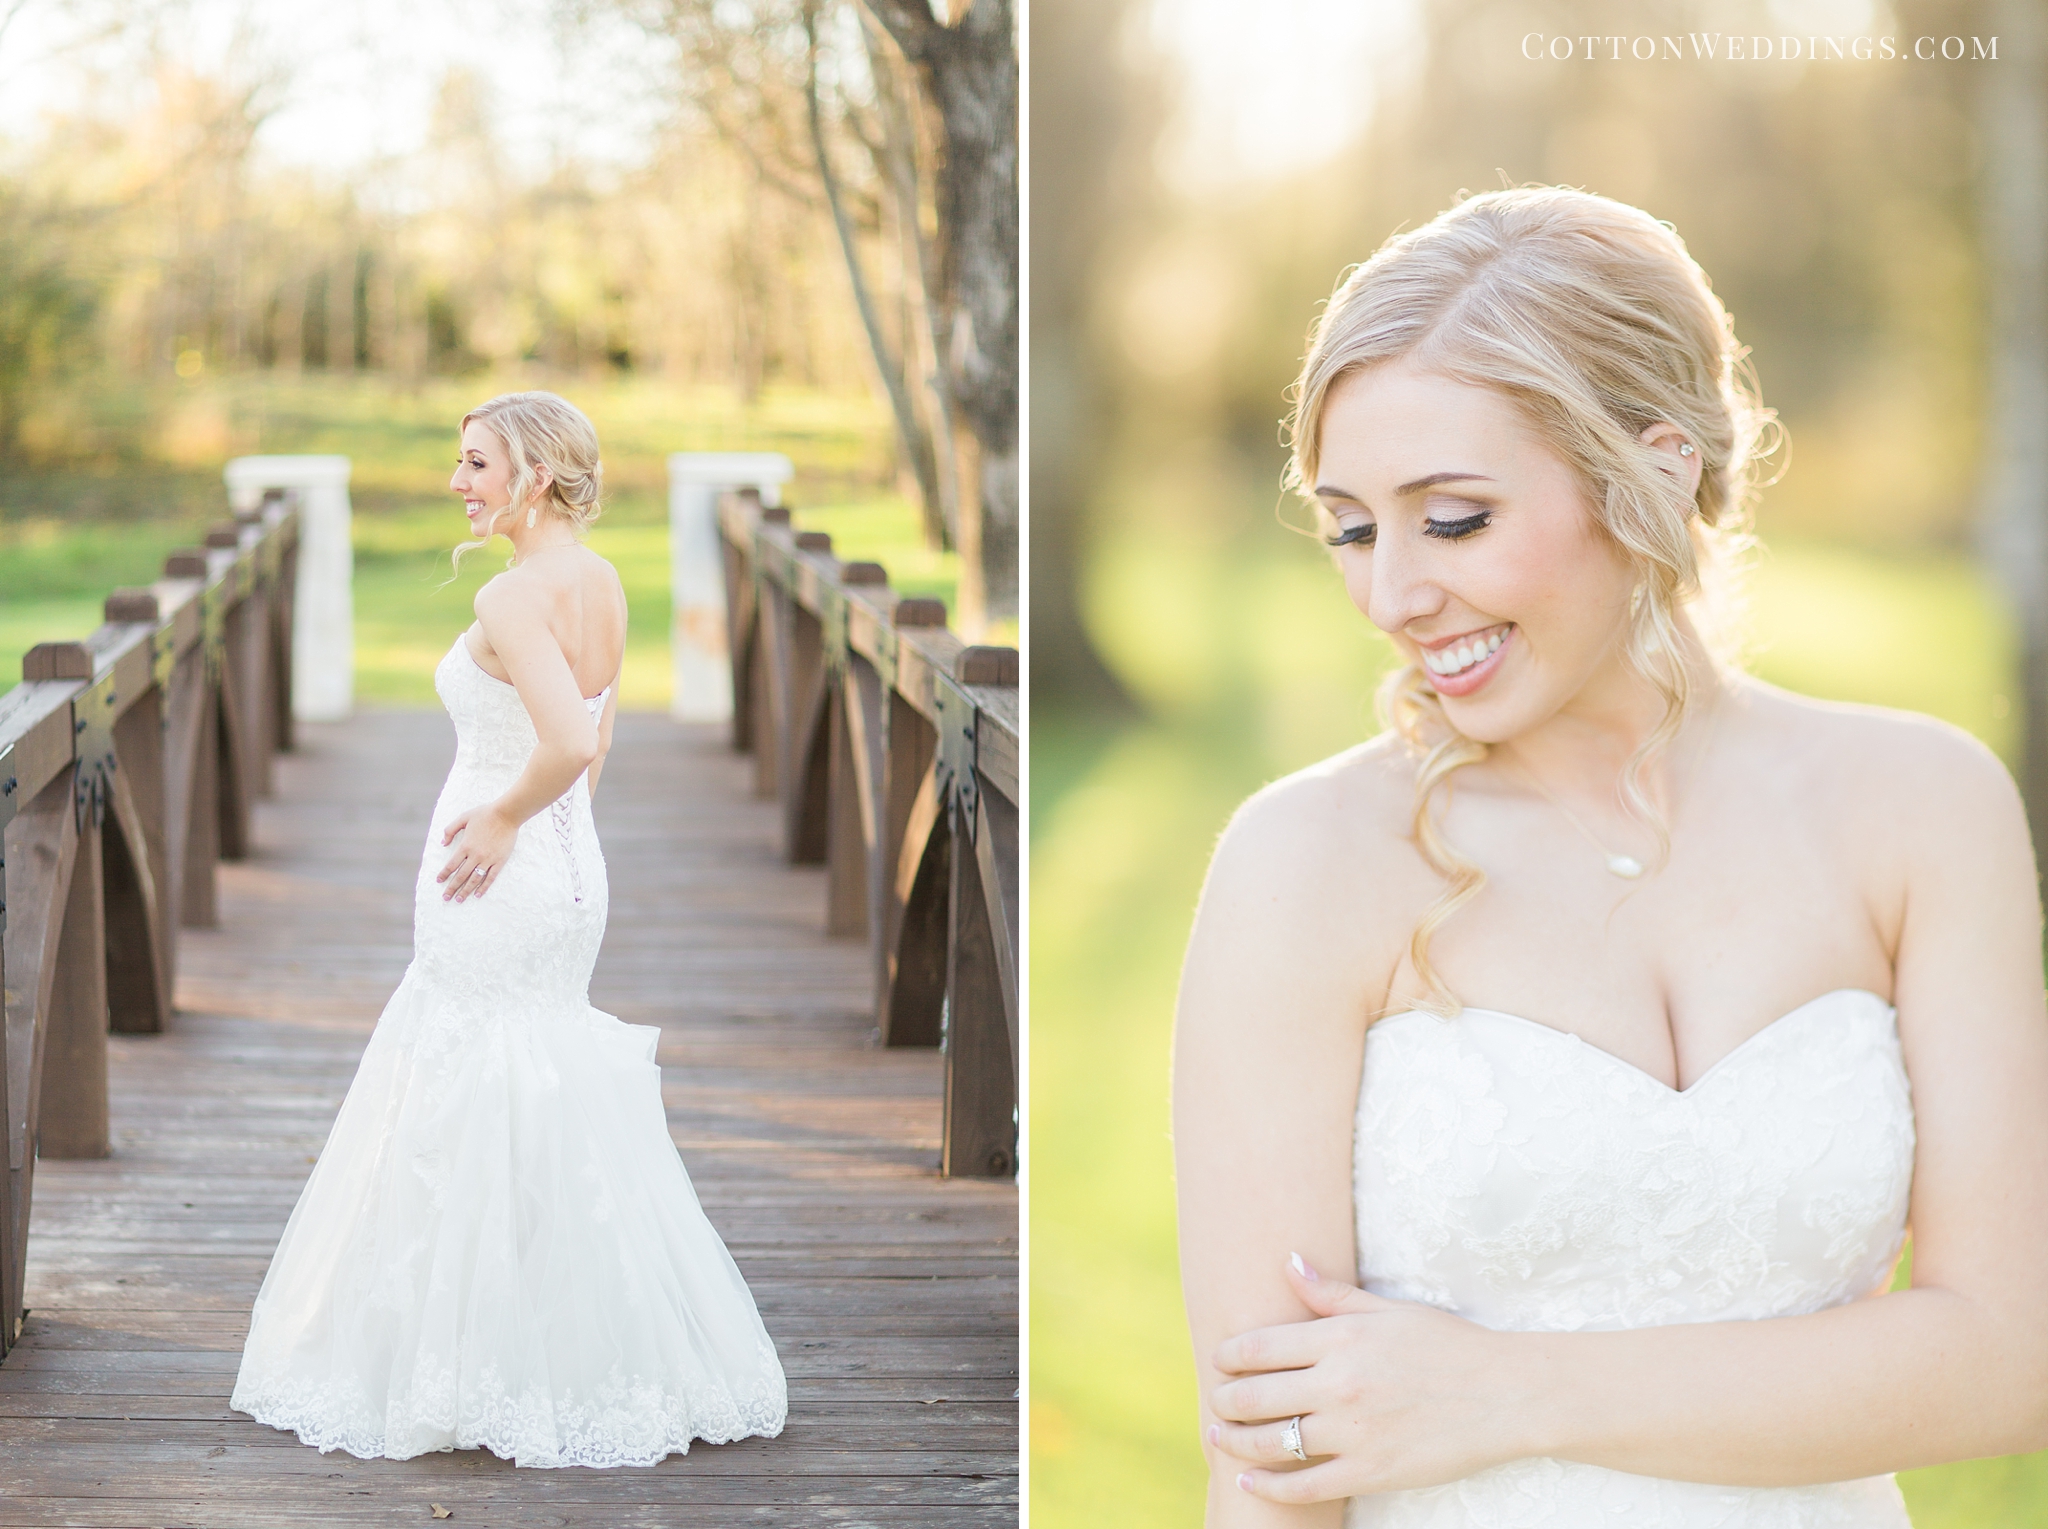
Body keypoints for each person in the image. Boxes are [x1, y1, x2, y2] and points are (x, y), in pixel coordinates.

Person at [1172, 188, 2048, 1527]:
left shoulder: (1926, 807)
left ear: (1657, 471)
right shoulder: (1300, 867)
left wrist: (1505, 1391)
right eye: (1350, 526)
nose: (1390, 594)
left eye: (1450, 519)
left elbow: (2007, 1357)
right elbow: (1274, 1461)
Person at [232, 390, 787, 1467]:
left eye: (477, 463)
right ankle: (546, 1348)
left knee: (472, 1079)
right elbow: (599, 738)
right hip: (567, 871)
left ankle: (473, 1363)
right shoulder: (603, 582)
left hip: (504, 872)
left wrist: (499, 821)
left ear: (534, 475)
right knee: (535, 1078)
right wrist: (557, 840)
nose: (458, 482)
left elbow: (569, 741)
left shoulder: (513, 596)